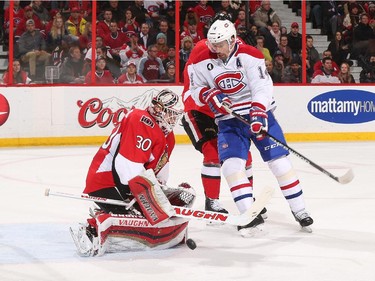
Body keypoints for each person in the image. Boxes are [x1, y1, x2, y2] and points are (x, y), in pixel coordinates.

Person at [187, 18, 313, 237]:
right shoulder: (200, 59)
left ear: (233, 39)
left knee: (280, 163)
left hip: (260, 116)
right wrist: (208, 94)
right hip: (228, 121)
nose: (215, 48)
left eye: (220, 44)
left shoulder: (251, 55)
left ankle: (300, 210)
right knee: (231, 167)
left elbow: (262, 86)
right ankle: (247, 216)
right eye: (212, 44)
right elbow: (193, 90)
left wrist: (258, 111)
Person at [70, 89, 195, 256]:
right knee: (138, 220)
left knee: (155, 213)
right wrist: (152, 202)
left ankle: (115, 214)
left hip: (129, 185)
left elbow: (160, 170)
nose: (174, 119)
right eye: (171, 114)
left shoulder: (168, 136)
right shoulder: (141, 120)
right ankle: (92, 228)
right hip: (106, 182)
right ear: (159, 110)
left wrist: (161, 192)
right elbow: (126, 168)